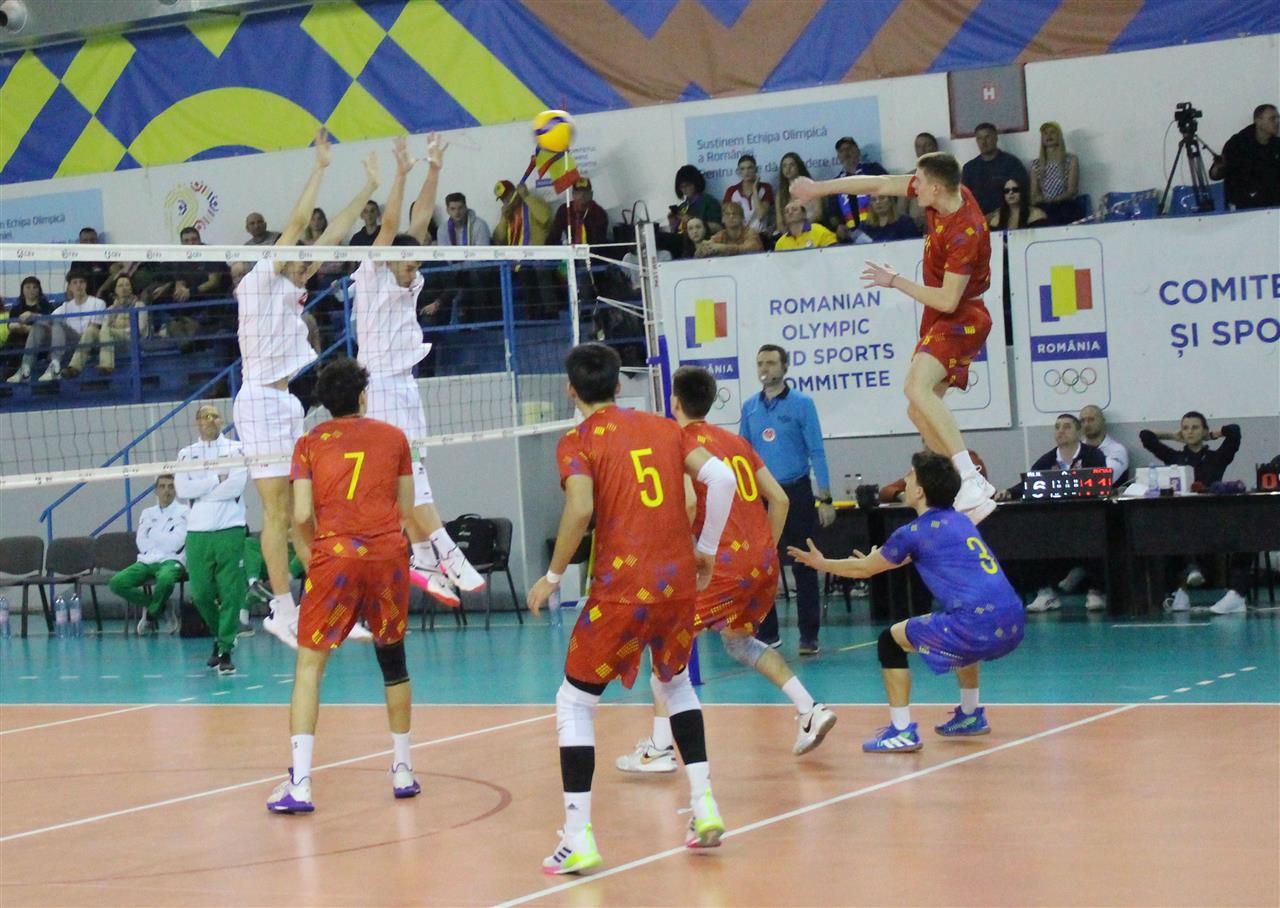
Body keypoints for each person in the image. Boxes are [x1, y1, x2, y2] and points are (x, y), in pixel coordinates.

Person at [526, 342, 738, 873]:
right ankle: (705, 803)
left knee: (575, 702)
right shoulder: (665, 428)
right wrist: (705, 550)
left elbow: (580, 507)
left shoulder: (578, 441)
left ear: (571, 390)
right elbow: (720, 480)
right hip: (677, 582)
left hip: (622, 588)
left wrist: (552, 576)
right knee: (676, 684)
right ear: (620, 385)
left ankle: (577, 836)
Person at [616, 366, 835, 775]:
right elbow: (780, 499)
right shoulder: (736, 441)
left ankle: (659, 749)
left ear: (674, 402)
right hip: (762, 562)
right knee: (739, 642)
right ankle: (810, 709)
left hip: (720, 563)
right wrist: (763, 551)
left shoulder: (677, 442)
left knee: (664, 643)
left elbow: (689, 504)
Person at [790, 151, 999, 524]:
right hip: (942, 315)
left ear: (936, 188)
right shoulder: (944, 193)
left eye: (919, 180)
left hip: (962, 315)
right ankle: (970, 491)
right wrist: (818, 189)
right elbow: (879, 183)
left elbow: (948, 300)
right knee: (917, 409)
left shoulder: (965, 231)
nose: (912, 185)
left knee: (915, 388)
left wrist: (895, 281)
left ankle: (969, 477)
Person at [233, 127, 379, 650]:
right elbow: (298, 225)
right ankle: (281, 609)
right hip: (258, 400)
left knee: (306, 515)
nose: (308, 266)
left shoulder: (292, 283)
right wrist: (319, 167)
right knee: (276, 513)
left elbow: (331, 235)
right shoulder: (261, 278)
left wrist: (368, 188)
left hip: (286, 403)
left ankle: (330, 606)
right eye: (299, 259)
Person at [266, 358, 422, 814]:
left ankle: (301, 784)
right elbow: (407, 508)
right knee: (393, 660)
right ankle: (403, 770)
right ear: (362, 397)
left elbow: (299, 514)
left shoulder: (308, 444)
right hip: (386, 556)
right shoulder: (394, 438)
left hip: (334, 558)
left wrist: (313, 551)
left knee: (310, 667)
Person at [789, 451, 1025, 752]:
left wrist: (821, 563)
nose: (905, 479)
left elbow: (864, 570)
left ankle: (902, 731)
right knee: (958, 630)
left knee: (890, 642)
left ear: (920, 491)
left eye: (910, 475)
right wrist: (876, 560)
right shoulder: (960, 520)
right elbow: (911, 557)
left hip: (975, 624)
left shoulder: (912, 532)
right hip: (1013, 618)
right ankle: (970, 714)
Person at [355, 134, 484, 604]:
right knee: (408, 473)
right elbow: (393, 225)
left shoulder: (408, 270)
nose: (415, 269)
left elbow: (419, 222)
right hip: (380, 388)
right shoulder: (373, 272)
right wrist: (400, 174)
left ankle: (424, 558)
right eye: (409, 263)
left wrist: (433, 169)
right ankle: (447, 551)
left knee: (411, 475)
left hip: (405, 386)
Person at [739, 344, 835, 655]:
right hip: (762, 497)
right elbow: (741, 454)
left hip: (796, 493)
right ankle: (768, 635)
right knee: (762, 565)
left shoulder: (802, 404)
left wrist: (826, 497)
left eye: (770, 362)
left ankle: (809, 637)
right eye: (760, 363)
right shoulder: (750, 408)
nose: (764, 368)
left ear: (785, 367)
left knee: (803, 564)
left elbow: (816, 450)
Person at [994, 414, 1109, 613]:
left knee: (1098, 534)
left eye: (1067, 427)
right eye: (1057, 427)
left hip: (1086, 517)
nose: (1061, 431)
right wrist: (1010, 492)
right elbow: (1029, 483)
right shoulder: (1046, 460)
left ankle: (1096, 591)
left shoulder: (1094, 456)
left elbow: (1100, 483)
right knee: (1030, 537)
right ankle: (1045, 593)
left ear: (1078, 432)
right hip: (1054, 519)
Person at [1140, 412, 1245, 613]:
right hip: (1181, 516)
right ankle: (1180, 590)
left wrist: (1212, 435)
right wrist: (1172, 436)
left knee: (1188, 528)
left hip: (1211, 515)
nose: (1189, 432)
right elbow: (1146, 436)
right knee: (1168, 529)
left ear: (1204, 430)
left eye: (1195, 427)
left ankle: (1191, 571)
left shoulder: (1217, 457)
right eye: (1185, 428)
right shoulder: (1174, 457)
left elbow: (1234, 432)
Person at [174, 404, 249, 673]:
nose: (210, 420)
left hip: (230, 527)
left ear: (221, 420)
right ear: (197, 422)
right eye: (204, 417)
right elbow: (183, 490)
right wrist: (216, 479)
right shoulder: (186, 454)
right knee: (201, 593)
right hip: (198, 531)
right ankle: (222, 635)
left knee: (230, 592)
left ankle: (225, 648)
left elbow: (236, 486)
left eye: (215, 416)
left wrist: (203, 492)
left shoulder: (236, 450)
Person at [108, 475, 188, 637]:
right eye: (162, 486)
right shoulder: (147, 513)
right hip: (147, 559)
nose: (166, 491)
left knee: (166, 580)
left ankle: (151, 614)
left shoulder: (185, 512)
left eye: (171, 487)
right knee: (117, 583)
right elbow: (141, 541)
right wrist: (163, 538)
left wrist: (154, 535)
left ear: (176, 490)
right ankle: (161, 607)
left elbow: (176, 542)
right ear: (156, 491)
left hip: (172, 560)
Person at [6, 269, 106, 382]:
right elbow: (48, 321)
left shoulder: (98, 303)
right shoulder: (65, 306)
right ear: (70, 287)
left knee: (57, 323)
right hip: (66, 345)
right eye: (75, 282)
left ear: (86, 285)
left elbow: (92, 331)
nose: (78, 285)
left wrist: (34, 315)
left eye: (81, 282)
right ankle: (26, 368)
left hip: (85, 345)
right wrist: (32, 315)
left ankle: (55, 366)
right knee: (39, 325)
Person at [1210, 104, 1280, 210]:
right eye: (1272, 118)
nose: (1277, 122)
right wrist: (1219, 167)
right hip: (1242, 207)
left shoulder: (1277, 145)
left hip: (1273, 206)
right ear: (1258, 121)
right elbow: (1215, 175)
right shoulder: (1238, 144)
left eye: (1278, 118)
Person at [824, 136, 887, 241]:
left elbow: (890, 193)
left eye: (849, 148)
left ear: (857, 151)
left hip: (879, 225)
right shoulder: (836, 183)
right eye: (841, 151)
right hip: (851, 234)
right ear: (838, 157)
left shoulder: (873, 170)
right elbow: (833, 214)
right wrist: (838, 226)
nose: (846, 153)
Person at [961, 123, 1030, 216]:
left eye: (987, 137)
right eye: (979, 138)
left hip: (1007, 217)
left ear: (996, 138)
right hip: (979, 219)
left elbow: (1022, 192)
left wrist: (999, 215)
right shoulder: (969, 168)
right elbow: (965, 199)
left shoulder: (1011, 163)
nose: (983, 142)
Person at [1029, 121, 1081, 224]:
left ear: (1059, 136)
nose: (1049, 136)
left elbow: (1072, 190)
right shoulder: (1036, 164)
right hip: (1045, 207)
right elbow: (1034, 193)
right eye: (1045, 133)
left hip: (1065, 205)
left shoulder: (1070, 160)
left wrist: (1054, 200)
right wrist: (1043, 200)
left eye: (1052, 132)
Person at [98, 274, 148, 374]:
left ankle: (107, 365)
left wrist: (117, 331)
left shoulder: (140, 305)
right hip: (114, 342)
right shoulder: (110, 309)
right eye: (120, 286)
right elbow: (104, 329)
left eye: (127, 285)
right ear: (115, 290)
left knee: (108, 332)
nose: (124, 288)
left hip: (133, 341)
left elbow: (141, 329)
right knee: (92, 331)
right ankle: (75, 367)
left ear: (131, 288)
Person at [4, 277, 53, 375]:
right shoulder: (16, 307)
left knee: (18, 352)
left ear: (39, 290)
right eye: (28, 287)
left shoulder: (46, 306)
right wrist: (15, 326)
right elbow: (10, 325)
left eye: (35, 287)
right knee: (7, 350)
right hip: (15, 340)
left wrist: (28, 329)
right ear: (22, 290)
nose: (31, 290)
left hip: (37, 343)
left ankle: (14, 375)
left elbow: (51, 327)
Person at [721, 154, 774, 234]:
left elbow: (761, 215)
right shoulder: (731, 191)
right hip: (740, 236)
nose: (746, 172)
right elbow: (726, 219)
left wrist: (754, 189)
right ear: (738, 172)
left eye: (750, 168)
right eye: (742, 169)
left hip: (761, 235)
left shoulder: (766, 188)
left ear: (756, 169)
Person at [549, 177, 609, 245]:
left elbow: (598, 243)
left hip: (591, 249)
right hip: (568, 249)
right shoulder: (564, 210)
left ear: (591, 194)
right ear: (573, 194)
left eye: (585, 192)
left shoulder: (599, 213)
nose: (582, 195)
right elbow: (553, 237)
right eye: (578, 192)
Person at [698, 201, 763, 257]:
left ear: (742, 218)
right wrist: (704, 248)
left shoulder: (750, 233)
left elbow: (751, 248)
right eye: (727, 214)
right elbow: (699, 253)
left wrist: (724, 248)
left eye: (735, 213)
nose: (731, 216)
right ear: (722, 219)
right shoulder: (721, 235)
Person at [775, 151, 823, 227]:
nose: (788, 169)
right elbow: (780, 222)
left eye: (792, 165)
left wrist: (801, 226)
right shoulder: (780, 195)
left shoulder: (813, 187)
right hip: (790, 231)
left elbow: (818, 214)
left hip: (811, 228)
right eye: (784, 166)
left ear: (798, 167)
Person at [673, 164, 722, 235]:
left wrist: (691, 220)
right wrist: (673, 222)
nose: (684, 189)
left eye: (688, 185)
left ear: (696, 183)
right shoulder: (682, 206)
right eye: (681, 187)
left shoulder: (709, 202)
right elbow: (678, 232)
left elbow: (718, 228)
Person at [773, 199, 838, 251]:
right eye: (786, 212)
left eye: (794, 210)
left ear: (804, 214)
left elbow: (834, 250)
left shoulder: (818, 230)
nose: (790, 212)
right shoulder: (780, 243)